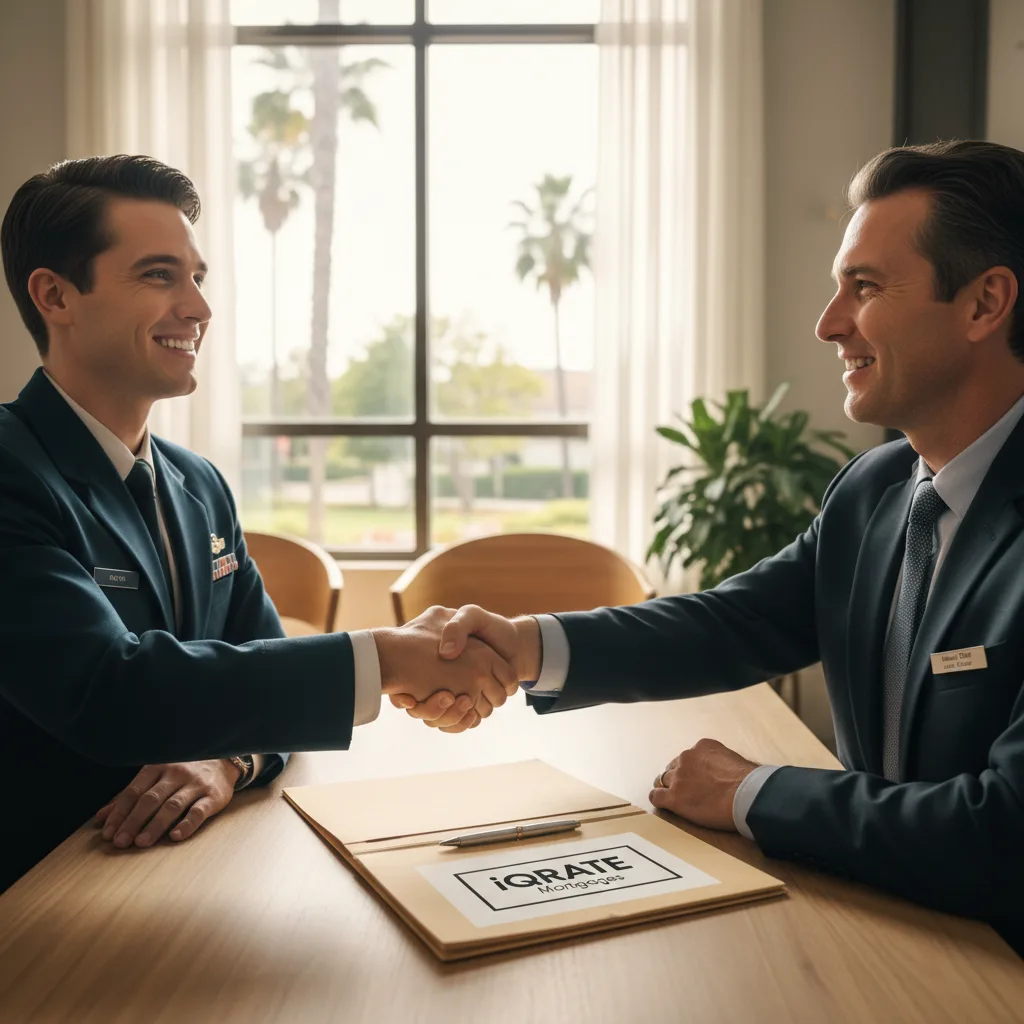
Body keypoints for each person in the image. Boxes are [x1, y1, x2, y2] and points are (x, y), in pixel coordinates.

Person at [413, 140, 1024, 954]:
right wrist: (523, 646)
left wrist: (751, 792)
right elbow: (732, 624)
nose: (828, 323)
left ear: (986, 305)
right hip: (894, 924)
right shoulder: (876, 490)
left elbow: (1004, 834)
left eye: (866, 287)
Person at [0, 155, 516, 892]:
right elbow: (107, 694)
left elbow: (261, 663)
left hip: (200, 879)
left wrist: (227, 759)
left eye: (197, 277)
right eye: (158, 276)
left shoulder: (199, 484)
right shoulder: (11, 471)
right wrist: (389, 657)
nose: (199, 308)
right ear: (55, 295)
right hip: (43, 896)